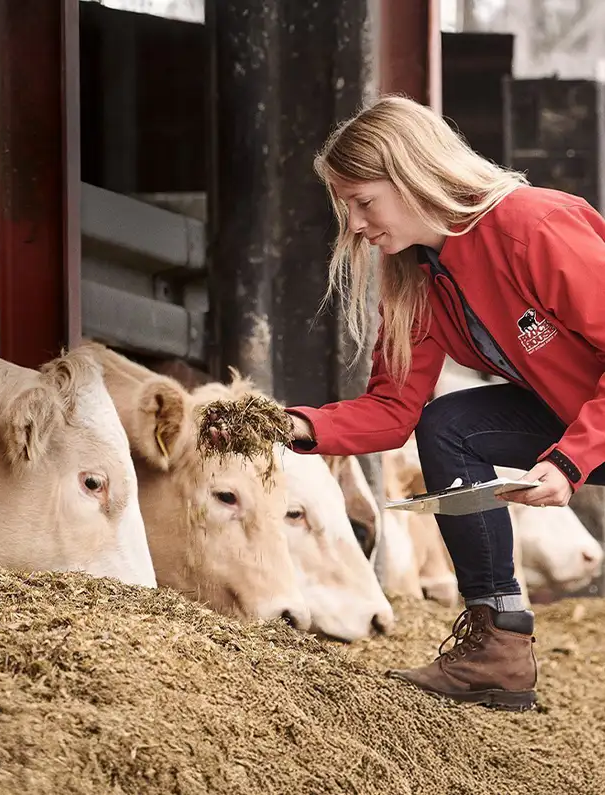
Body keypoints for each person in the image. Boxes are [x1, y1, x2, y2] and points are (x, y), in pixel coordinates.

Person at [210, 93, 605, 711]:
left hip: (590, 425)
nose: (355, 225)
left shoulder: (533, 227)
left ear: (413, 175)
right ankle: (498, 646)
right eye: (345, 208)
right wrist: (289, 426)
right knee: (449, 425)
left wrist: (569, 459)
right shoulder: (417, 281)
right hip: (577, 414)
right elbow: (393, 411)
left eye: (364, 202)